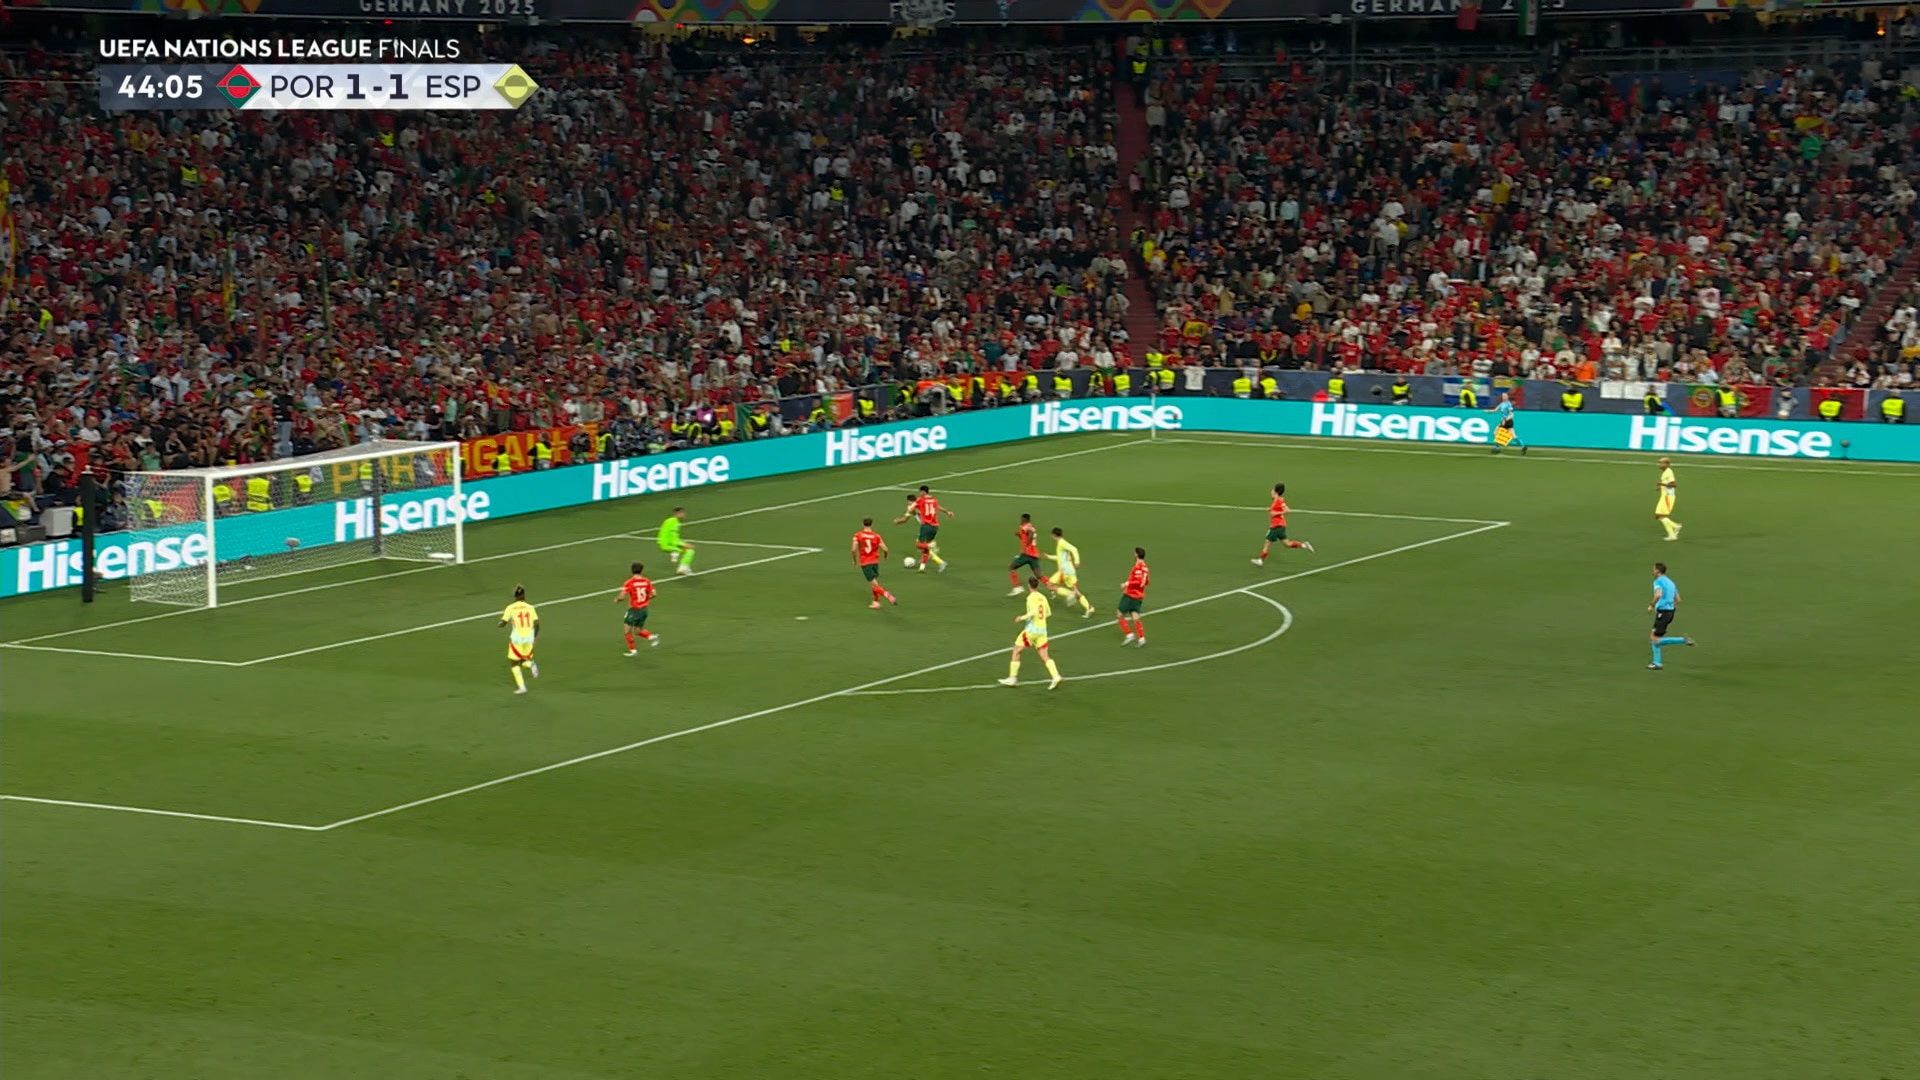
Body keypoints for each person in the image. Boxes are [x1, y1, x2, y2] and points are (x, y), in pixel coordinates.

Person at [999, 575, 1064, 689]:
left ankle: (1012, 678)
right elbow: (1048, 613)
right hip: (1042, 630)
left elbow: (1033, 612)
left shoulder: (1030, 598)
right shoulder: (1043, 597)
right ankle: (1056, 676)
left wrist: (1022, 618)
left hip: (1032, 630)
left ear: (1029, 585)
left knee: (1016, 650)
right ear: (1037, 585)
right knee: (1044, 655)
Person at [893, 484, 954, 572]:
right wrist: (947, 512)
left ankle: (932, 549)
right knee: (924, 549)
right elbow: (937, 507)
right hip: (935, 526)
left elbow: (907, 515)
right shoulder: (933, 500)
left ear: (922, 492)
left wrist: (898, 520)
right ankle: (923, 567)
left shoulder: (919, 502)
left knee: (919, 545)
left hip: (926, 526)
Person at [1647, 562, 1696, 670]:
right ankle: (1657, 663)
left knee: (1655, 639)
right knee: (1655, 637)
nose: (1653, 571)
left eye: (1654, 569)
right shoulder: (1671, 583)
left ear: (1658, 571)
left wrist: (1651, 605)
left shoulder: (1658, 581)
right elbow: (1678, 600)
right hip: (1670, 612)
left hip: (1663, 612)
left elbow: (1658, 594)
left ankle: (1683, 640)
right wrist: (1669, 606)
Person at [1252, 483, 1314, 566]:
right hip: (1281, 526)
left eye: (1272, 489)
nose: (1271, 491)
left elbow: (1287, 510)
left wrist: (1274, 513)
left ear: (1275, 491)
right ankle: (1304, 545)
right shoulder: (1278, 500)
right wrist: (1270, 510)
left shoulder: (1279, 500)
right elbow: (1279, 509)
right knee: (1287, 544)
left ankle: (1261, 561)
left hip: (1276, 526)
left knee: (1267, 543)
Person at [499, 585, 540, 694]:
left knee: (514, 663)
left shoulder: (510, 607)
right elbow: (537, 624)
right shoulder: (530, 608)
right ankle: (531, 664)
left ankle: (522, 687)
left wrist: (500, 622)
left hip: (517, 639)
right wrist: (535, 637)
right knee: (523, 660)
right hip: (529, 638)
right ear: (524, 595)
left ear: (515, 596)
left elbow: (503, 623)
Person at [1046, 527, 1096, 616]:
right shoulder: (1062, 544)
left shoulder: (1061, 543)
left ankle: (1069, 594)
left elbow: (1074, 549)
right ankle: (1089, 608)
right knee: (1076, 591)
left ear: (1054, 535)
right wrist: (1049, 557)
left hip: (1064, 571)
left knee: (1049, 585)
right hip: (1071, 571)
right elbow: (1060, 557)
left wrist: (1077, 562)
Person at [852, 517, 898, 609]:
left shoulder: (858, 535)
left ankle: (886, 594)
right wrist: (885, 556)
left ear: (863, 524)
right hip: (875, 562)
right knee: (874, 584)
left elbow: (853, 549)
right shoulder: (876, 536)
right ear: (871, 524)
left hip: (865, 562)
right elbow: (885, 549)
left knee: (874, 584)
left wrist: (854, 560)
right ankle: (876, 603)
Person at [619, 562, 660, 654]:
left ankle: (633, 651)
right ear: (641, 571)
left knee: (627, 630)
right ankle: (652, 637)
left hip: (634, 610)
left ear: (632, 570)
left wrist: (617, 600)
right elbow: (654, 594)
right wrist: (646, 599)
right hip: (644, 610)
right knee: (638, 631)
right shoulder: (646, 581)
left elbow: (621, 597)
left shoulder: (629, 582)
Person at [1117, 547, 1150, 647]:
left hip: (1131, 595)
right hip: (1139, 596)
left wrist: (1126, 584)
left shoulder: (1138, 567)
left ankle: (1129, 634)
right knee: (1135, 617)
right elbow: (1147, 582)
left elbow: (1138, 581)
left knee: (1119, 615)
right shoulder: (1146, 568)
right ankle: (1142, 638)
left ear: (1136, 555)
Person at [1007, 512, 1043, 596]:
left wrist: (1026, 545)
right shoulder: (1030, 527)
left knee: (1011, 567)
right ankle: (1051, 587)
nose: (1020, 521)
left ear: (1025, 519)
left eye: (1022, 519)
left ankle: (1017, 588)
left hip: (1027, 553)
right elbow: (1027, 536)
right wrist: (1019, 535)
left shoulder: (1026, 527)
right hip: (1034, 554)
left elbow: (1030, 534)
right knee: (1039, 575)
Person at [658, 506, 696, 576]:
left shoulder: (673, 521)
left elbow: (673, 537)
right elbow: (673, 538)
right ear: (676, 514)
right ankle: (682, 567)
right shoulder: (672, 522)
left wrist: (683, 544)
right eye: (681, 513)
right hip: (667, 544)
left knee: (688, 550)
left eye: (683, 513)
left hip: (668, 543)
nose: (683, 514)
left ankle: (677, 556)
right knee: (690, 551)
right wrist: (683, 545)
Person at [1655, 456, 1683, 541]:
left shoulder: (1669, 472)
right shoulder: (1665, 472)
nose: (1659, 465)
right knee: (1658, 516)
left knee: (1660, 515)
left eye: (1661, 463)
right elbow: (1665, 482)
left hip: (1668, 497)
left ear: (1666, 464)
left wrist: (1662, 484)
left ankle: (1674, 530)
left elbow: (1674, 485)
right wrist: (1660, 487)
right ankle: (1674, 529)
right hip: (1664, 496)